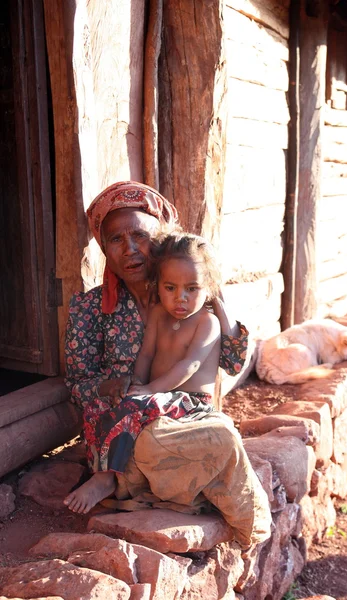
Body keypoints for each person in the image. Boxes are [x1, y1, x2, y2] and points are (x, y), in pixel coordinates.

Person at [63, 181, 271, 549]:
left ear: (158, 238)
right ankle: (127, 480)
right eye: (115, 239)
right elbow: (77, 383)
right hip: (128, 426)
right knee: (166, 442)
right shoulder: (90, 308)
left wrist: (221, 310)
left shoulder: (192, 292)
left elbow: (234, 359)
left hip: (182, 420)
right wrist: (108, 386)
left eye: (140, 236)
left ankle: (153, 487)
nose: (130, 249)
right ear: (104, 249)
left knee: (217, 434)